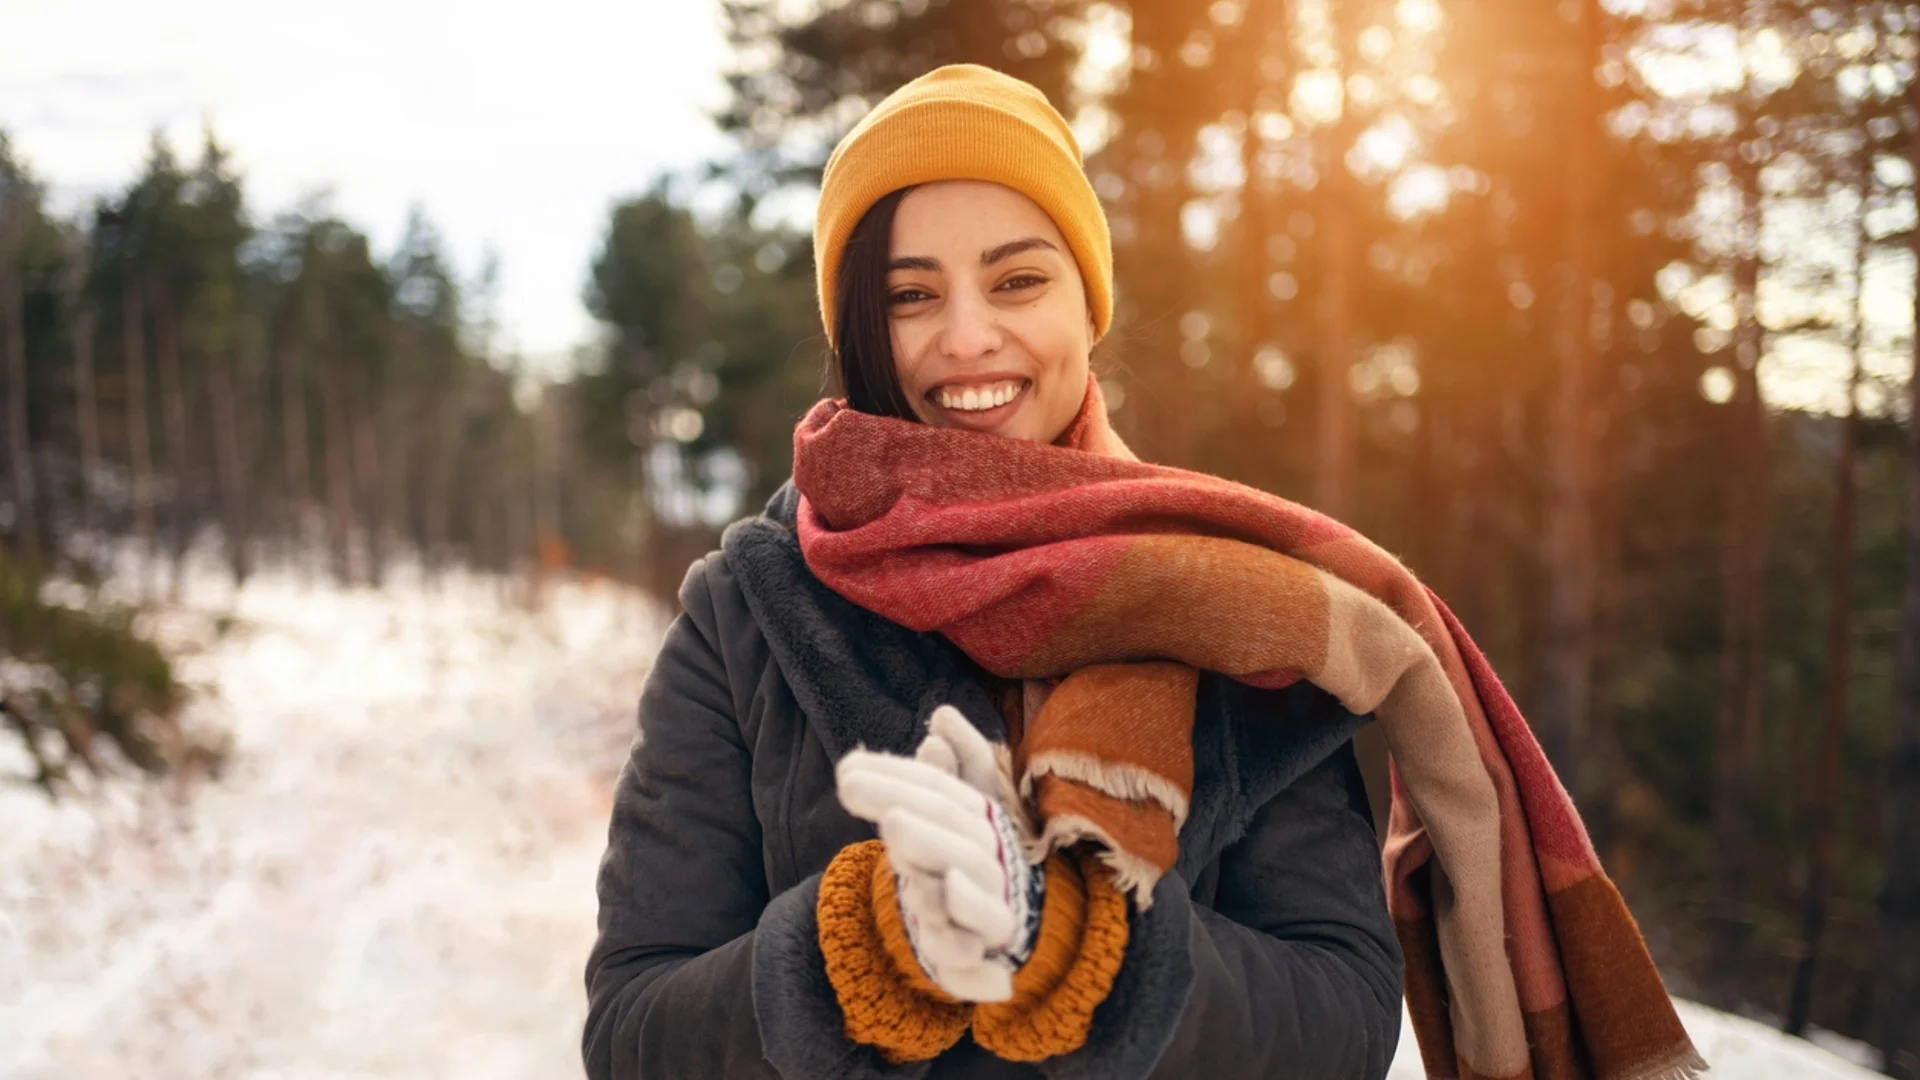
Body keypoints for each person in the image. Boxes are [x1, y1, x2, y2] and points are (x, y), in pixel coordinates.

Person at [585, 63, 1700, 1080]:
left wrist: (1100, 952)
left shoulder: (1234, 603)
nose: (967, 337)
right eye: (910, 295)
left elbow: (1345, 1013)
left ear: (1085, 306)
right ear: (857, 329)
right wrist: (856, 949)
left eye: (1016, 281)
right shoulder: (748, 610)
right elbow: (633, 1028)